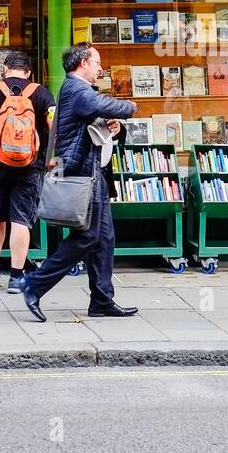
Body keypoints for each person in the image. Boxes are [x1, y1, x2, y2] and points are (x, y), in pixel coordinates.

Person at [19, 43, 139, 322]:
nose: (101, 68)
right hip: (84, 175)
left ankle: (101, 300)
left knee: (104, 238)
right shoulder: (76, 88)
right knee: (87, 236)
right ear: (83, 62)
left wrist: (117, 127)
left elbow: (96, 122)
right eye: (97, 63)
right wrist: (128, 107)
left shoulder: (81, 92)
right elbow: (98, 105)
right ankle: (34, 284)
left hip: (95, 174)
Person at [0, 50, 55, 294]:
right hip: (30, 165)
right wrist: (51, 157)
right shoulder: (42, 92)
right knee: (21, 219)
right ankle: (16, 276)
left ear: (4, 68)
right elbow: (54, 126)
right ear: (29, 72)